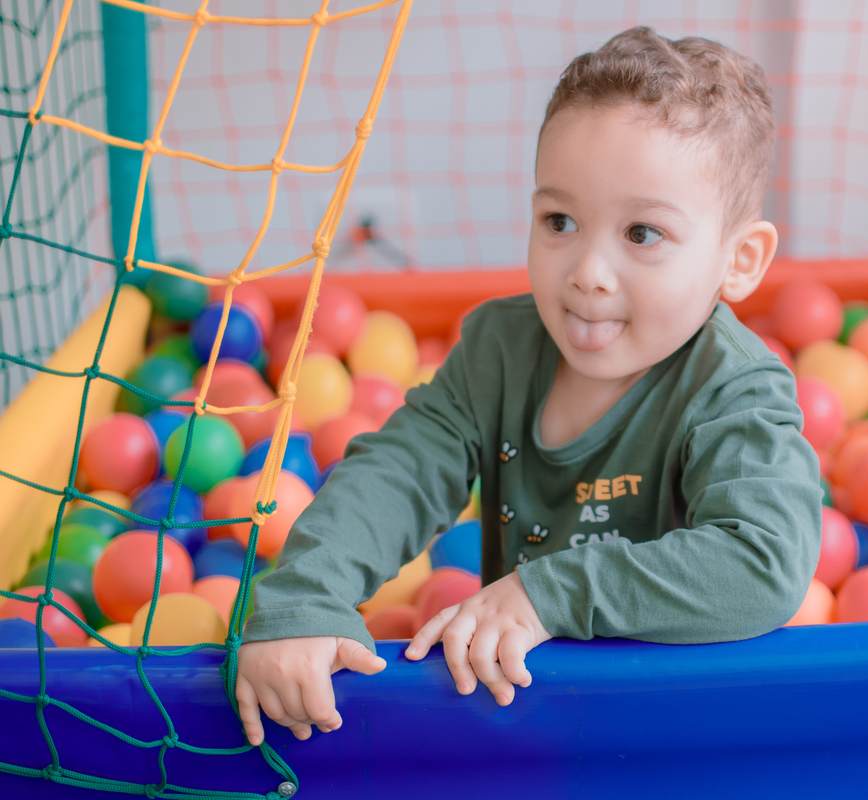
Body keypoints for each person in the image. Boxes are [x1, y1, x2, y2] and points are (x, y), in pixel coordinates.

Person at [235, 25, 822, 747]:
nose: (587, 272)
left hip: (682, 727)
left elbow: (762, 563)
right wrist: (306, 597)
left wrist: (547, 593)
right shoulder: (501, 350)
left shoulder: (735, 392)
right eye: (561, 221)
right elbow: (399, 471)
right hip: (522, 713)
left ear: (740, 259)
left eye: (642, 234)